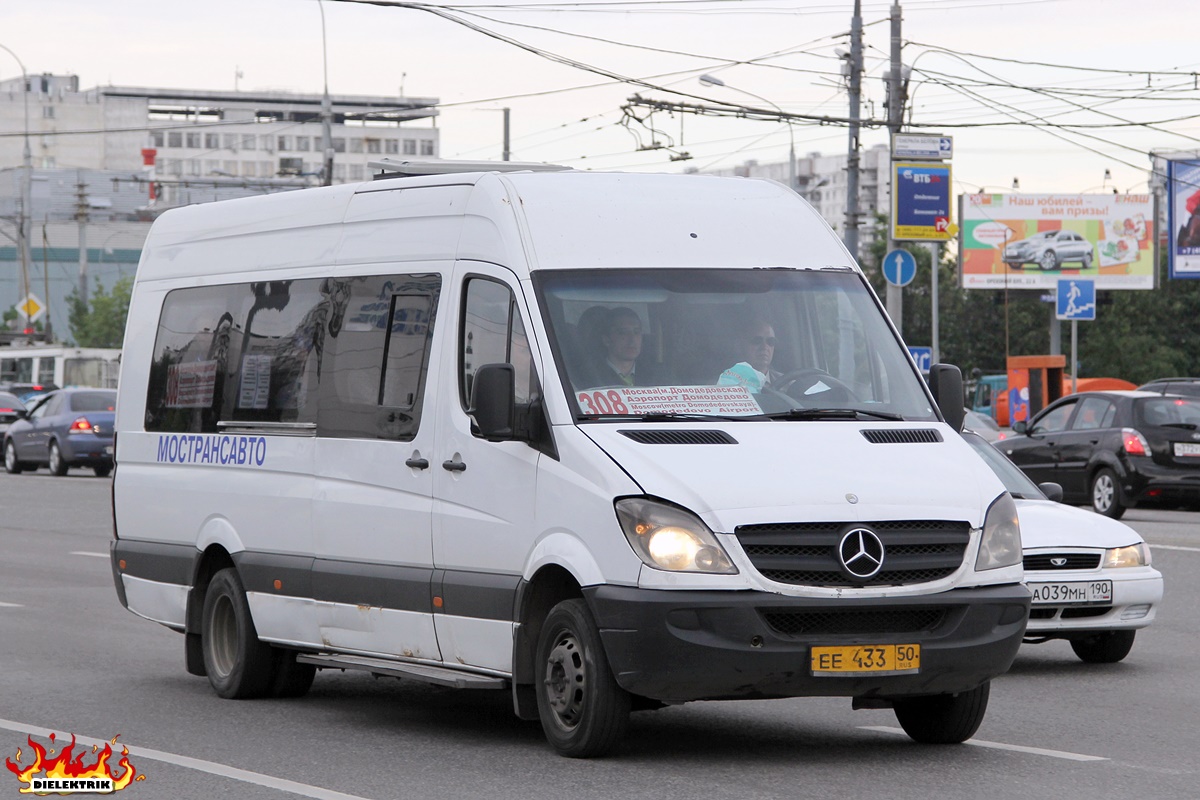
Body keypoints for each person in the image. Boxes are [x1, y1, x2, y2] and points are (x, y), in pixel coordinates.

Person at [718, 319, 781, 393]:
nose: (765, 347)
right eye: (757, 341)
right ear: (739, 346)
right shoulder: (719, 385)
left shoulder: (789, 385)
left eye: (770, 342)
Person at [592, 306, 646, 387]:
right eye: (623, 332)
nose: (632, 339)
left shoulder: (658, 375)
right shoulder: (592, 376)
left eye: (636, 332)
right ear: (607, 340)